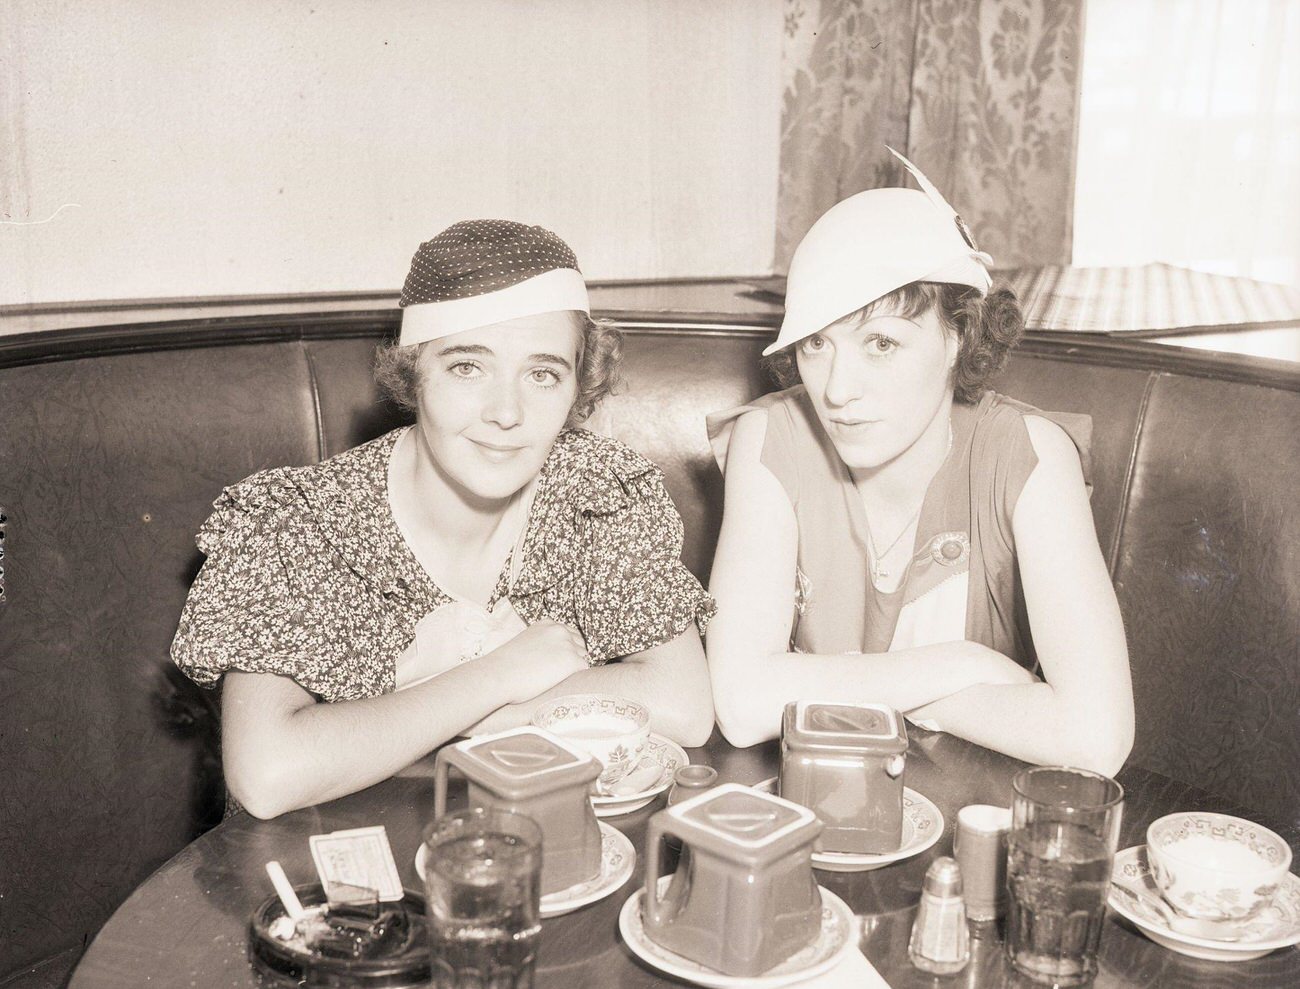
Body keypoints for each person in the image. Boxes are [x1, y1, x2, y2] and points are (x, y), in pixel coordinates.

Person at [172, 220, 715, 818]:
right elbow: (269, 774)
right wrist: (500, 673)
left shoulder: (596, 489)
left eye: (542, 373)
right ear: (414, 373)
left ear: (575, 387)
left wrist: (452, 717)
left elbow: (683, 703)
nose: (507, 412)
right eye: (467, 367)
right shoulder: (297, 521)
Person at [705, 150, 1133, 775]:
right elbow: (742, 706)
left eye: (881, 343)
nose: (836, 390)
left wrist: (850, 689)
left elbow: (1097, 739)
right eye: (816, 345)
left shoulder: (1030, 455)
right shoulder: (771, 437)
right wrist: (962, 667)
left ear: (960, 335)